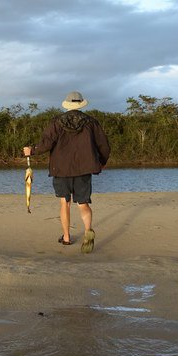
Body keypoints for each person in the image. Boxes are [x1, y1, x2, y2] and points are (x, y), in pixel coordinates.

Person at [23, 91, 110, 253]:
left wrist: (32, 151)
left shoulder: (56, 122)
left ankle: (67, 237)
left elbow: (46, 144)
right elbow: (103, 145)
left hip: (61, 169)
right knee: (83, 203)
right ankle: (87, 232)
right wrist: (102, 162)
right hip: (84, 168)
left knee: (65, 202)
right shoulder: (91, 123)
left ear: (67, 105)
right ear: (81, 104)